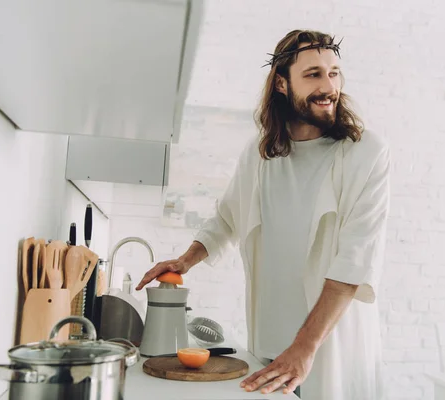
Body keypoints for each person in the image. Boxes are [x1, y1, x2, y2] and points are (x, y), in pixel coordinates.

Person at [136, 29, 390, 399]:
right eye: (313, 74)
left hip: (328, 347)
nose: (328, 85)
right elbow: (226, 218)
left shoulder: (366, 153)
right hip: (269, 343)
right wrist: (185, 260)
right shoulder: (261, 154)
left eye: (334, 72)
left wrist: (304, 349)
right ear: (283, 85)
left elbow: (354, 263)